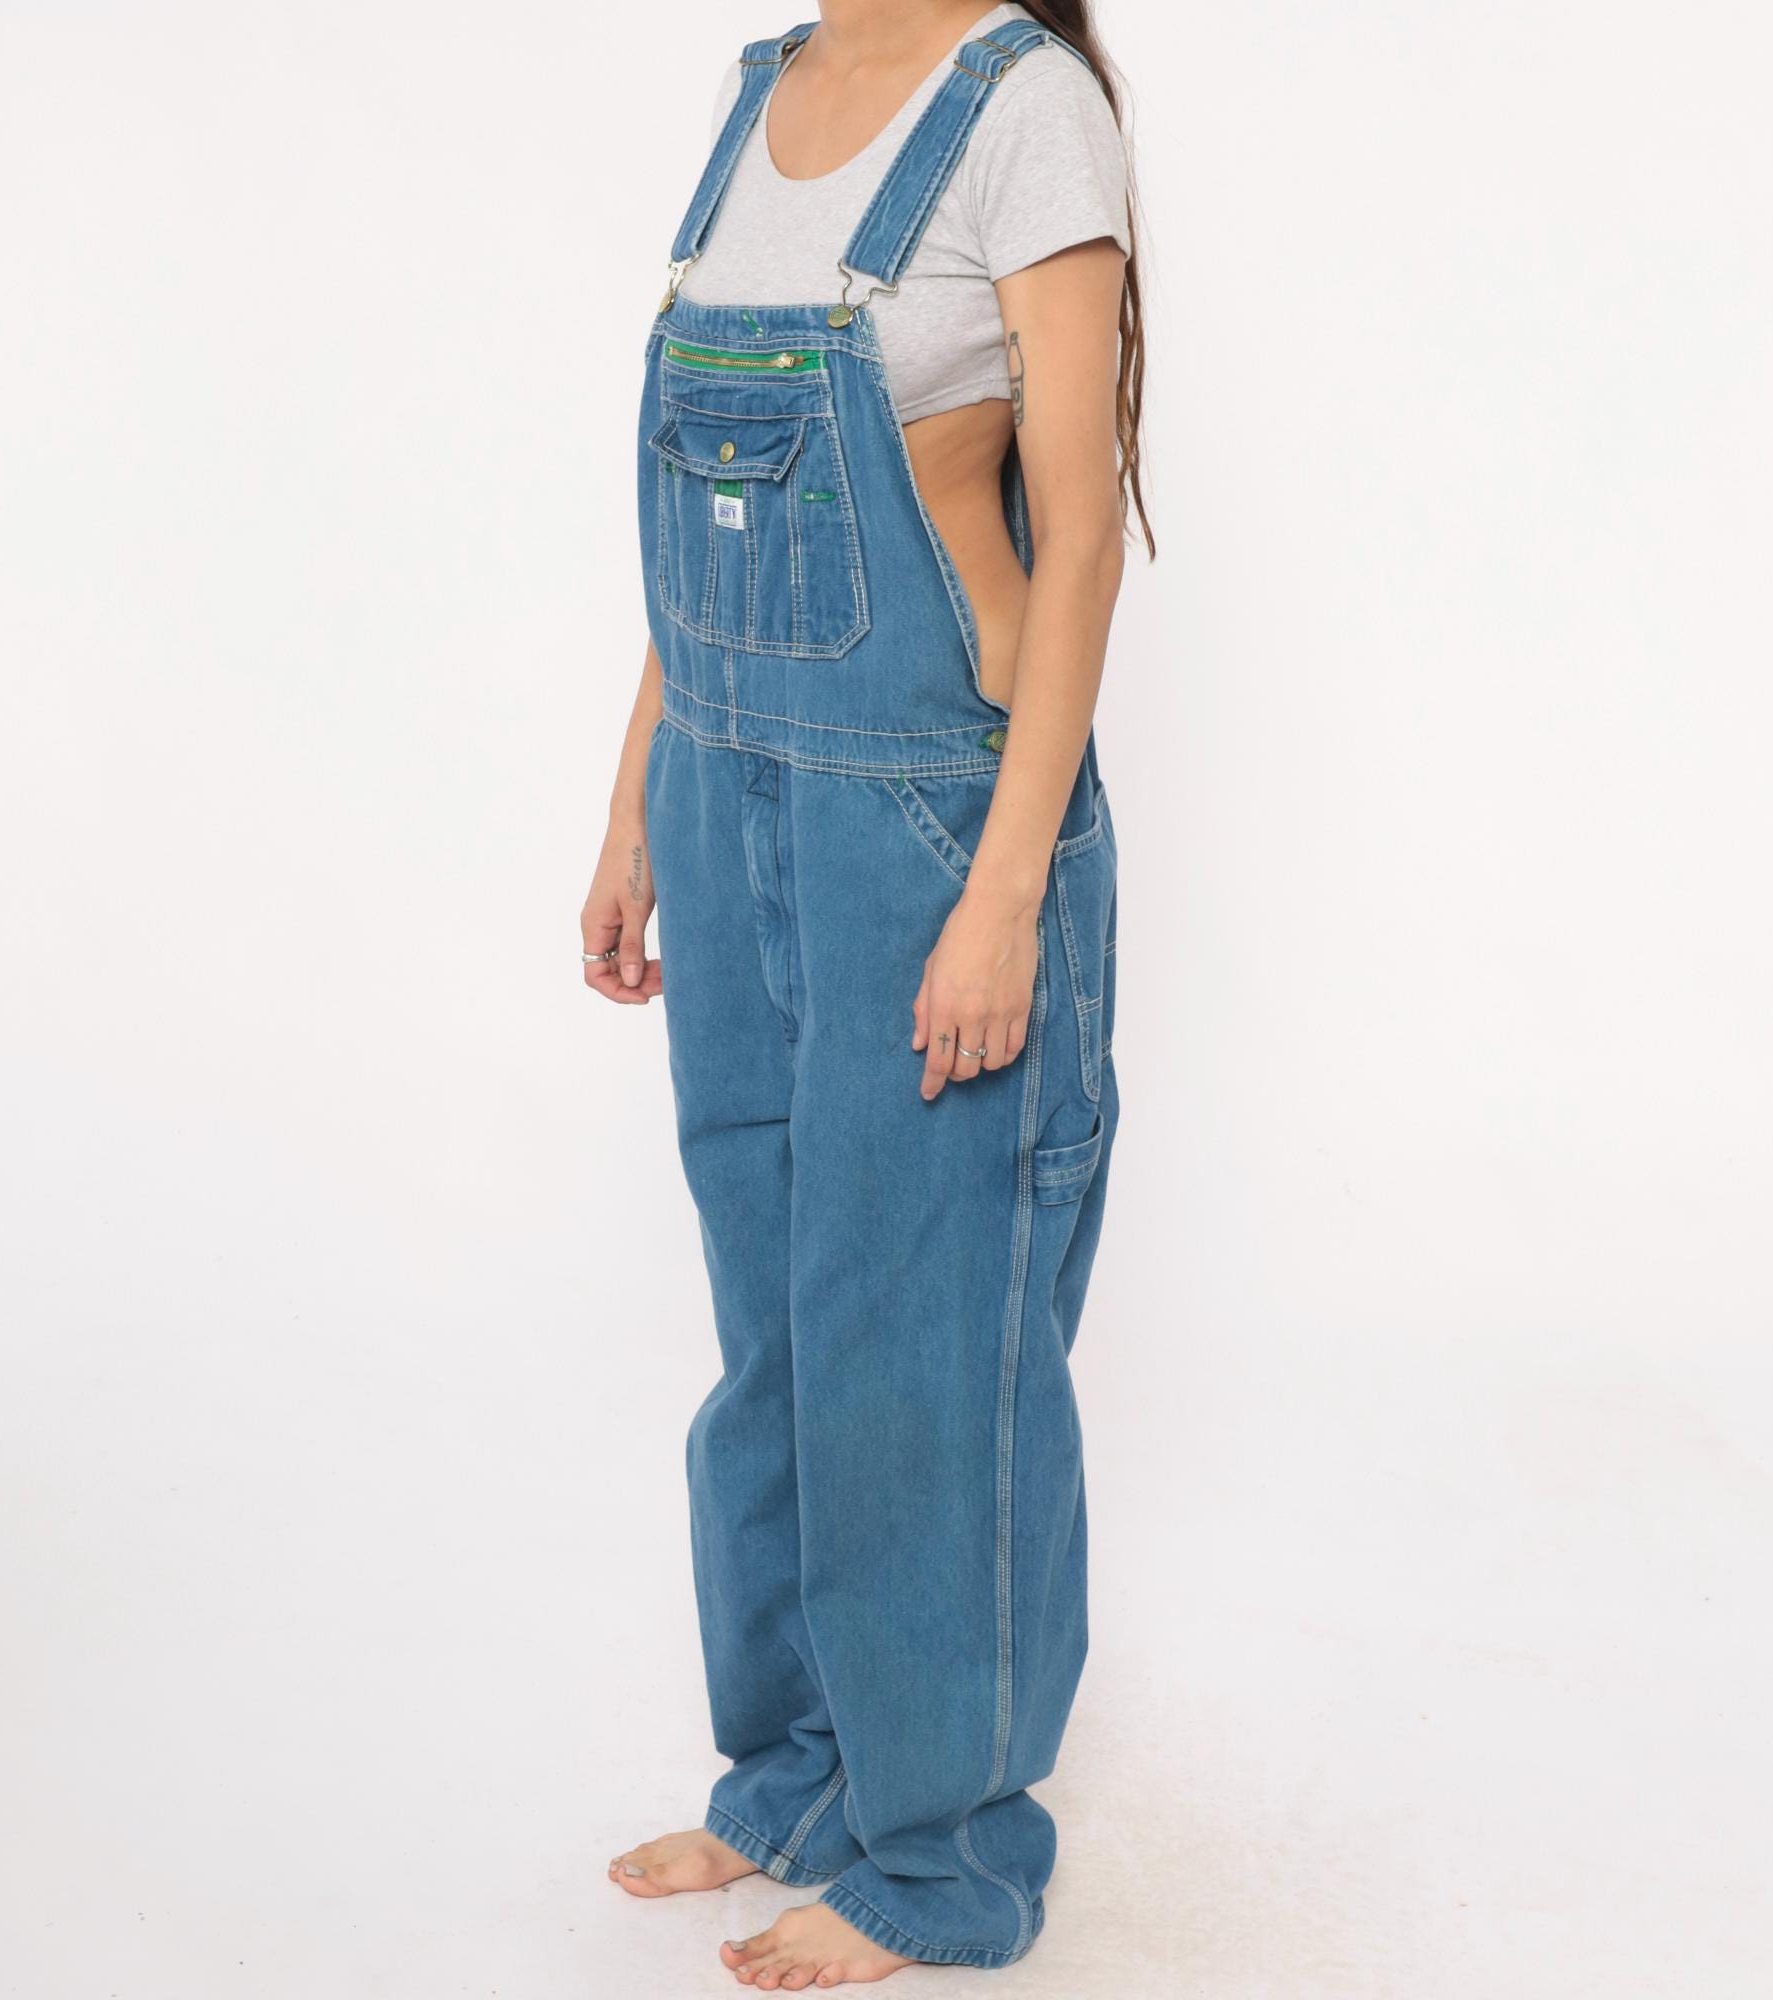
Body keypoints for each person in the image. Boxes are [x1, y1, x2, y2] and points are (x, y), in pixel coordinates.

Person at [581, 1, 1150, 1984]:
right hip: (722, 784)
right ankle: (800, 1780)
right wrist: (637, 801)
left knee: (923, 1347)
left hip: (926, 817)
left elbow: (1079, 540)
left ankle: (946, 1855)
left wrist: (1005, 892)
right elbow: (703, 527)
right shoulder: (764, 89)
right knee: (776, 1339)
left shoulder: (1024, 108)